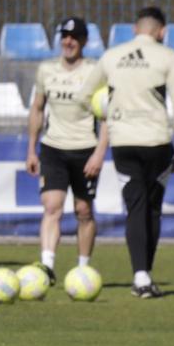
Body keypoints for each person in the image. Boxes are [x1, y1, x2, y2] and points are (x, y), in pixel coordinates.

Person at [102, 7, 174, 298]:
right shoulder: (168, 56)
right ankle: (144, 275)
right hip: (157, 142)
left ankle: (141, 276)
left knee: (135, 207)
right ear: (161, 31)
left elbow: (85, 93)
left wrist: (107, 111)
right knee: (152, 209)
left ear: (134, 30)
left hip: (123, 141)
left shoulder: (111, 56)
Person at [24, 18, 109, 277]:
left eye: (74, 37)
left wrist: (99, 153)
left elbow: (107, 117)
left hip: (85, 149)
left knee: (83, 211)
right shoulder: (46, 70)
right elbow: (37, 109)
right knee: (52, 207)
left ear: (84, 41)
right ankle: (47, 266)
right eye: (64, 36)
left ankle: (83, 269)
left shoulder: (96, 71)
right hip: (53, 148)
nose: (68, 41)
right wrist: (31, 149)